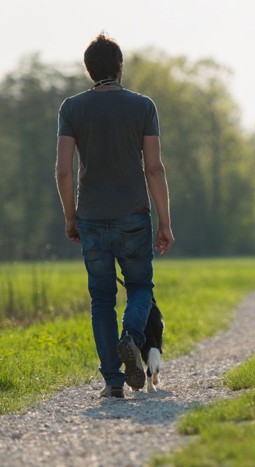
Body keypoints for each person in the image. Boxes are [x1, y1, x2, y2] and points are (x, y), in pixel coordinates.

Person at [55, 33, 175, 398]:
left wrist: (70, 217)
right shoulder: (143, 106)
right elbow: (154, 169)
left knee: (102, 299)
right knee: (139, 288)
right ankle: (132, 339)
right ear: (120, 67)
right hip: (134, 216)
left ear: (89, 70)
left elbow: (63, 170)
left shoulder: (71, 109)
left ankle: (112, 381)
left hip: (91, 217)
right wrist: (165, 222)